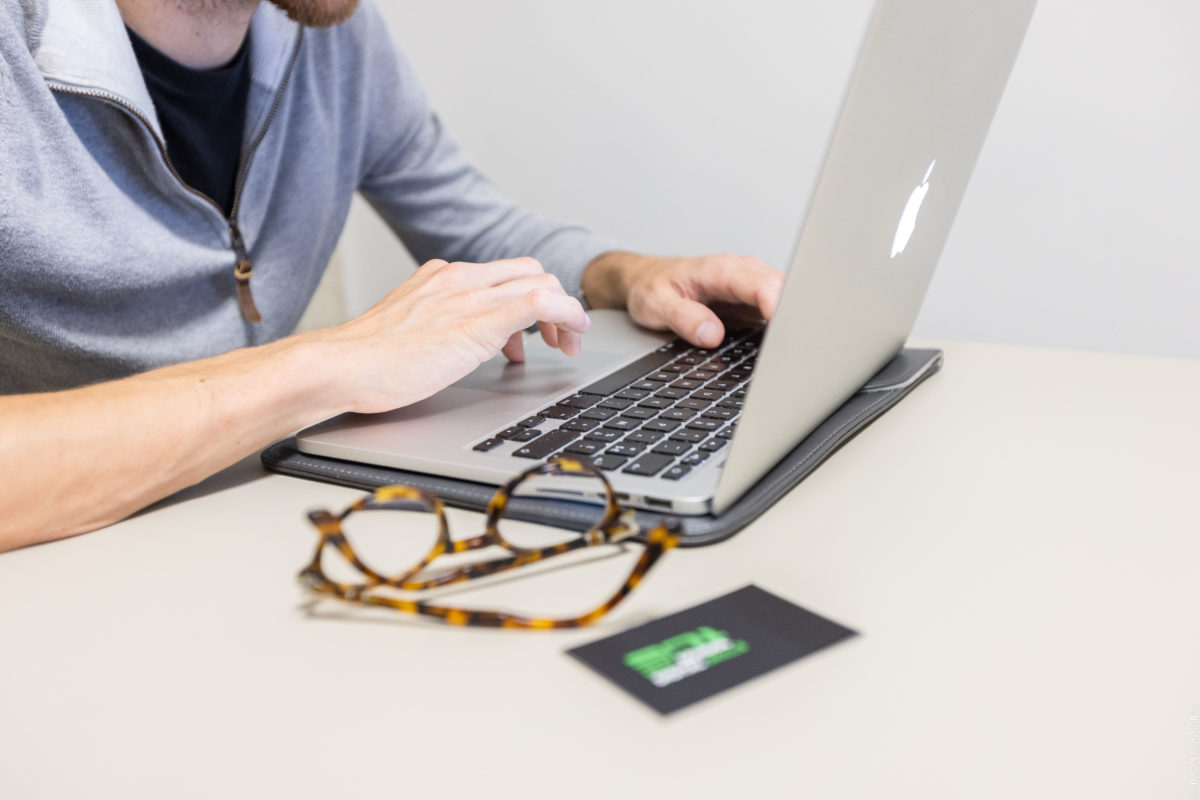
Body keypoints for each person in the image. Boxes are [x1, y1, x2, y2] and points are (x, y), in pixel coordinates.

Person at [0, 0, 783, 551]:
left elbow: (479, 227)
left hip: (240, 522)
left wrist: (632, 276)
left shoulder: (330, 37)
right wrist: (330, 365)